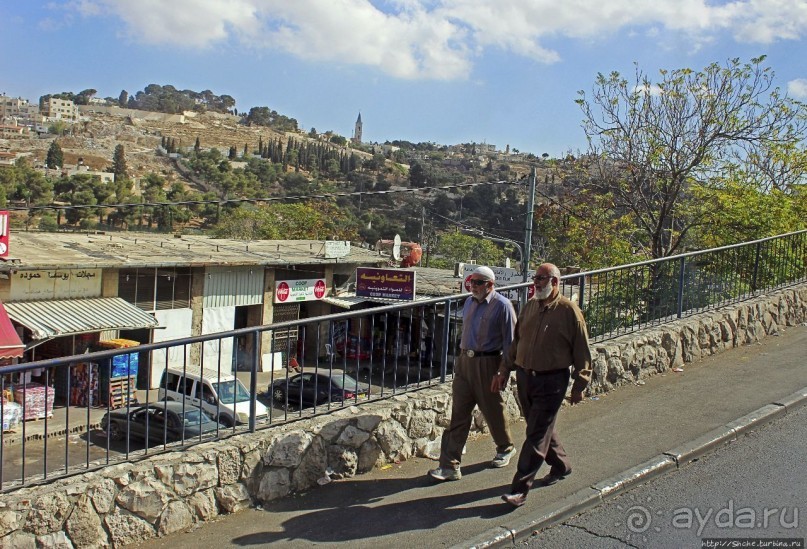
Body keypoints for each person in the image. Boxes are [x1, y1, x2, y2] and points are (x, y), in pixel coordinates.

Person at [492, 262, 592, 507]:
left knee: (536, 434)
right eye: (535, 278)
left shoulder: (569, 311)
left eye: (541, 278)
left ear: (555, 282)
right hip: (526, 378)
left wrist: (580, 383)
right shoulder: (530, 307)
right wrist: (504, 370)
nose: (535, 282)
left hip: (553, 380)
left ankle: (519, 490)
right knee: (541, 428)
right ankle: (561, 465)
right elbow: (516, 343)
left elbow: (582, 350)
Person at [429, 266, 518, 481]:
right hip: (464, 362)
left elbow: (511, 343)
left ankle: (505, 447)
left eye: (478, 283)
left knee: (492, 408)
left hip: (488, 362)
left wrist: (503, 371)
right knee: (459, 413)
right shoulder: (468, 302)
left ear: (490, 285)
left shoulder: (503, 306)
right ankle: (450, 465)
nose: (473, 286)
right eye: (471, 282)